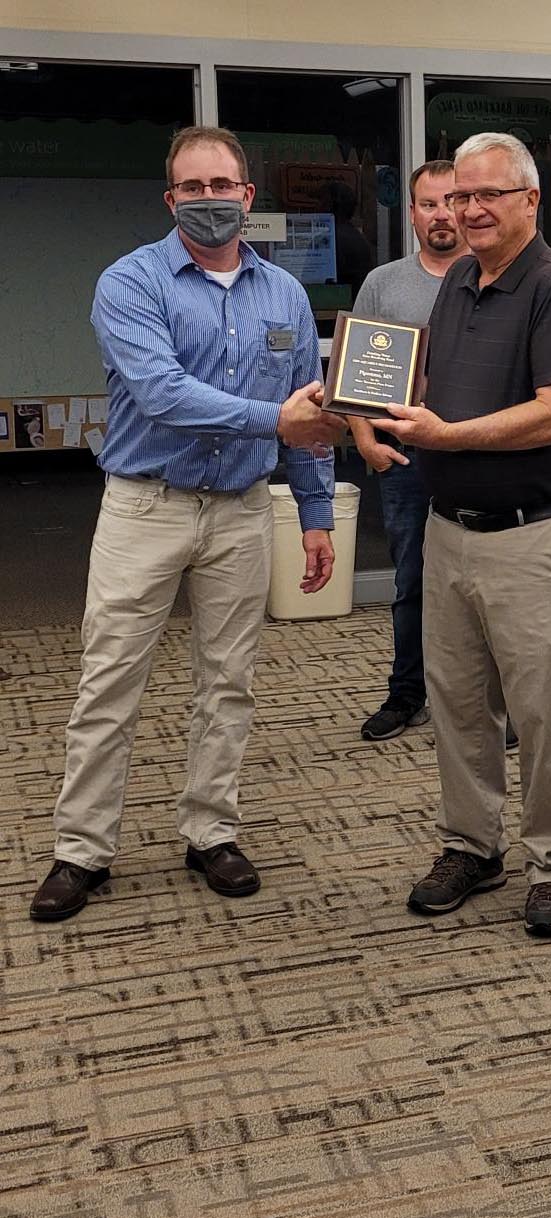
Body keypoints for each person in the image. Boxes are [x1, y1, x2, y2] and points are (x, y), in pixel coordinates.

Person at [29, 125, 345, 922]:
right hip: (145, 508)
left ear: (248, 194)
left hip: (241, 513)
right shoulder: (130, 283)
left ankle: (211, 831)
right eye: (193, 189)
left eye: (223, 186)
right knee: (110, 683)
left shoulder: (285, 297)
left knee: (227, 683)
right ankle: (82, 850)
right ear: (173, 200)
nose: (210, 200)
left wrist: (314, 514)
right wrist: (277, 422)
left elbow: (309, 410)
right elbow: (164, 393)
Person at [379, 132, 551, 939]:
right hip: (451, 534)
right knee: (458, 705)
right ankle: (472, 846)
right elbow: (440, 384)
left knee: (545, 716)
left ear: (529, 202)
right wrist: (377, 410)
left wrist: (448, 436)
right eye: (457, 196)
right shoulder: (461, 281)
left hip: (535, 540)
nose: (468, 210)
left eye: (487, 196)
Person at [347, 160, 466, 742]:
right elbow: (357, 374)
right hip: (405, 458)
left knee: (482, 584)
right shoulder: (384, 283)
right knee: (411, 581)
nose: (441, 214)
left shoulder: (492, 275)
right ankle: (407, 693)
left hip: (478, 455)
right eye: (428, 204)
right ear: (412, 213)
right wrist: (366, 438)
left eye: (451, 201)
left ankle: (486, 704)